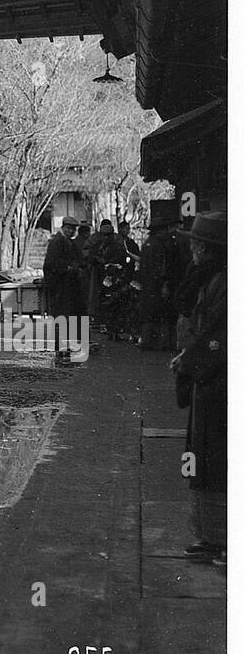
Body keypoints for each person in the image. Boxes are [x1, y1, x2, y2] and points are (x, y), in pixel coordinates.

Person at [170, 211, 226, 569]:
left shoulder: (226, 282)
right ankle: (211, 536)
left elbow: (219, 335)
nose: (191, 249)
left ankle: (225, 541)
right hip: (208, 382)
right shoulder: (211, 278)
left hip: (220, 382)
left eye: (196, 244)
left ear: (208, 249)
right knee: (204, 460)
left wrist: (189, 359)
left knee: (219, 462)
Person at [42, 216, 87, 360]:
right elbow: (51, 264)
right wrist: (68, 269)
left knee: (68, 318)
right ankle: (61, 349)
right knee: (62, 318)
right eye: (71, 229)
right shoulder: (57, 242)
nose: (72, 231)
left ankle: (67, 348)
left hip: (69, 286)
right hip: (60, 286)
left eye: (74, 229)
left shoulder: (68, 242)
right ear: (65, 228)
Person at [139, 213, 184, 351]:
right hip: (157, 285)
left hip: (147, 285)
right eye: (165, 229)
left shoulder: (147, 243)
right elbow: (162, 268)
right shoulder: (159, 246)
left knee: (149, 313)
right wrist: (165, 285)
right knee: (162, 314)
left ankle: (147, 341)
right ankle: (162, 343)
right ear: (160, 230)